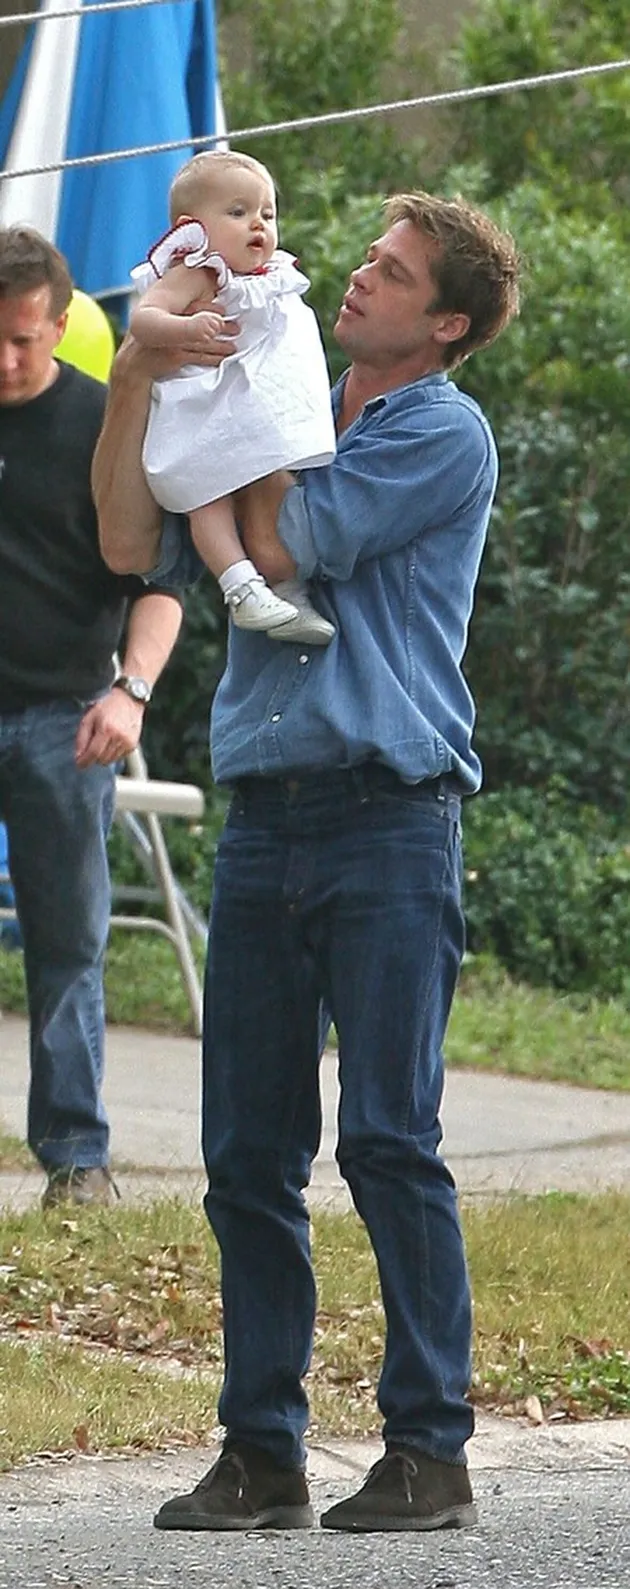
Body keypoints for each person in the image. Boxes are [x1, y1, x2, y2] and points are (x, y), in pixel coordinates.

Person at [93, 188, 520, 1530]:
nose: (356, 275)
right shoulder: (275, 389)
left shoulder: (438, 430)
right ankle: (261, 1454)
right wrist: (139, 369)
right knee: (245, 1152)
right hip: (267, 814)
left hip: (392, 814)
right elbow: (127, 539)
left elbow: (283, 541)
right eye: (365, 258)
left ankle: (429, 1453)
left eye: (391, 272)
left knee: (388, 1140)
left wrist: (230, 387)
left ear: (445, 324)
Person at [0, 225, 184, 1209]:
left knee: (67, 944)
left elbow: (159, 584)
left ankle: (76, 1159)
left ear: (61, 322)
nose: (4, 359)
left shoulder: (101, 427)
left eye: (22, 340)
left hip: (62, 717)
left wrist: (132, 689)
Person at [129, 149, 336, 644]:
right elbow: (144, 317)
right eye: (238, 212)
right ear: (191, 229)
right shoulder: (197, 271)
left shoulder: (275, 274)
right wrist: (184, 327)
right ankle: (239, 585)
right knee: (206, 493)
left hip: (249, 404)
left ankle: (285, 589)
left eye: (267, 213)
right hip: (201, 403)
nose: (258, 224)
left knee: (274, 481)